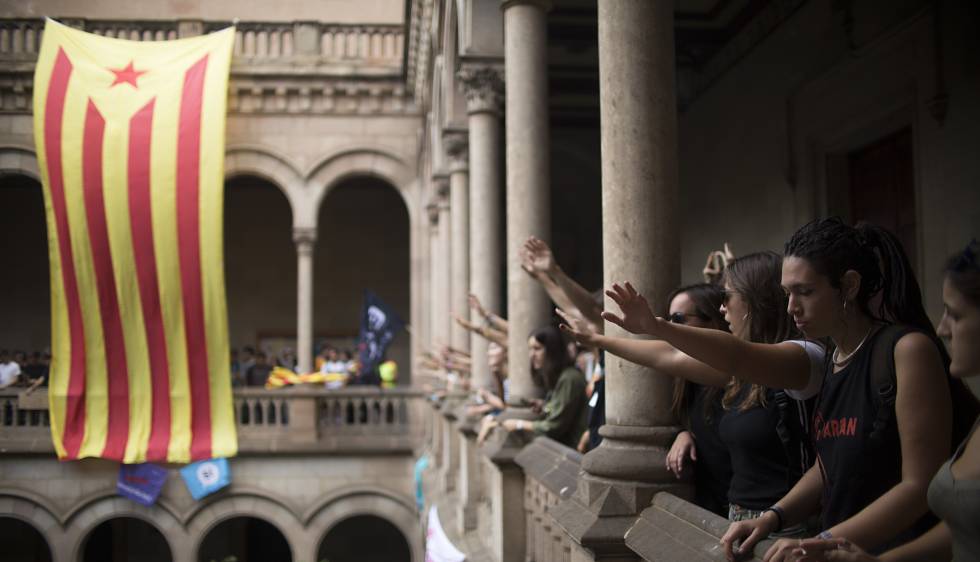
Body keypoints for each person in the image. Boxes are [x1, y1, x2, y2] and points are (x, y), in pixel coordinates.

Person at [561, 252, 825, 528]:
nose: (722, 309)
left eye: (726, 297)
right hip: (743, 523)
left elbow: (736, 355)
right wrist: (601, 341)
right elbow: (670, 357)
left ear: (754, 301)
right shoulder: (747, 371)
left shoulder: (804, 356)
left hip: (790, 529)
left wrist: (656, 325)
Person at [795, 240, 980, 562]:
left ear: (849, 287)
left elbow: (918, 487)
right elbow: (965, 529)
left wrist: (826, 541)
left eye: (955, 314)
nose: (943, 329)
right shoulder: (833, 359)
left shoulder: (905, 349)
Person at [496, 325, 589, 449]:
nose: (531, 355)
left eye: (537, 348)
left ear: (552, 350)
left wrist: (519, 424)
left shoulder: (570, 378)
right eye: (530, 349)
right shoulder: (561, 377)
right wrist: (545, 406)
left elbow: (554, 426)